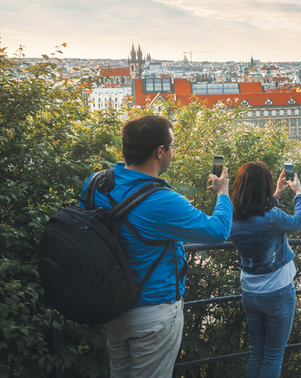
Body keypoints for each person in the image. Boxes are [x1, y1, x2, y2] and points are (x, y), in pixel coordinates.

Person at [82, 115, 233, 377]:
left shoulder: (97, 183)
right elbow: (218, 231)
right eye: (172, 146)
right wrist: (223, 193)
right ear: (160, 151)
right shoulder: (162, 201)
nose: (172, 151)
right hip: (153, 312)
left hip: (113, 306)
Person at [229, 161, 301, 378]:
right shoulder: (273, 217)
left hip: (250, 291)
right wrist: (299, 192)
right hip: (277, 291)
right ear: (263, 186)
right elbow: (298, 221)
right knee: (273, 355)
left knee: (257, 352)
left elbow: (256, 212)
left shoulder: (232, 216)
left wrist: (277, 193)